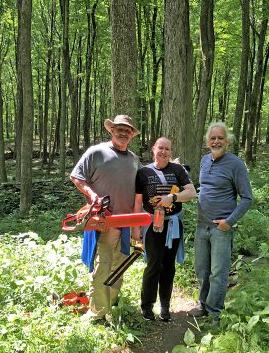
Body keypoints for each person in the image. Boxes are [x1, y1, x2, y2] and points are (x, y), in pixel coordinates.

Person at [70, 114, 140, 321]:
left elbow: (143, 186)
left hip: (126, 223)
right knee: (102, 265)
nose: (123, 133)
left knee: (120, 265)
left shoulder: (134, 160)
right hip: (104, 221)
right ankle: (97, 311)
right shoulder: (96, 152)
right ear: (112, 130)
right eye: (119, 128)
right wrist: (92, 196)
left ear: (131, 135)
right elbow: (76, 176)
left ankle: (108, 304)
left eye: (127, 130)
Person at [188, 122, 253, 320]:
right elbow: (204, 188)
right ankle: (203, 304)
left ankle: (215, 312)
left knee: (218, 272)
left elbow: (247, 198)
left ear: (228, 141)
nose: (216, 141)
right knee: (202, 269)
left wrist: (229, 222)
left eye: (220, 138)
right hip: (201, 226)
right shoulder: (204, 160)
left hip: (221, 229)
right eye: (212, 138)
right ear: (208, 141)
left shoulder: (236, 164)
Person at [133, 137, 196, 321]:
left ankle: (165, 306)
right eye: (160, 148)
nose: (163, 152)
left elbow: (191, 192)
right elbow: (138, 203)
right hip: (152, 224)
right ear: (154, 149)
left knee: (168, 266)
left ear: (171, 151)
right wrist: (136, 229)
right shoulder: (143, 172)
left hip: (173, 224)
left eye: (167, 149)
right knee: (153, 265)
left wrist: (172, 198)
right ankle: (147, 306)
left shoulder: (178, 170)